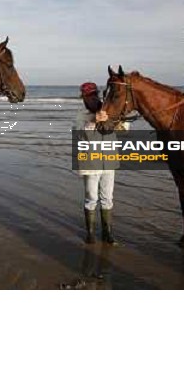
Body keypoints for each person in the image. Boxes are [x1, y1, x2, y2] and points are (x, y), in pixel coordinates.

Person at [74, 82, 118, 245]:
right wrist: (93, 120)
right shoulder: (81, 115)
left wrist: (113, 119)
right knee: (91, 198)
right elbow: (79, 136)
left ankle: (107, 233)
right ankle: (90, 233)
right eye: (87, 97)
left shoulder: (109, 110)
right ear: (83, 99)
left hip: (109, 161)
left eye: (93, 95)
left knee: (107, 197)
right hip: (90, 163)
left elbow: (124, 128)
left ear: (97, 95)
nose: (91, 99)